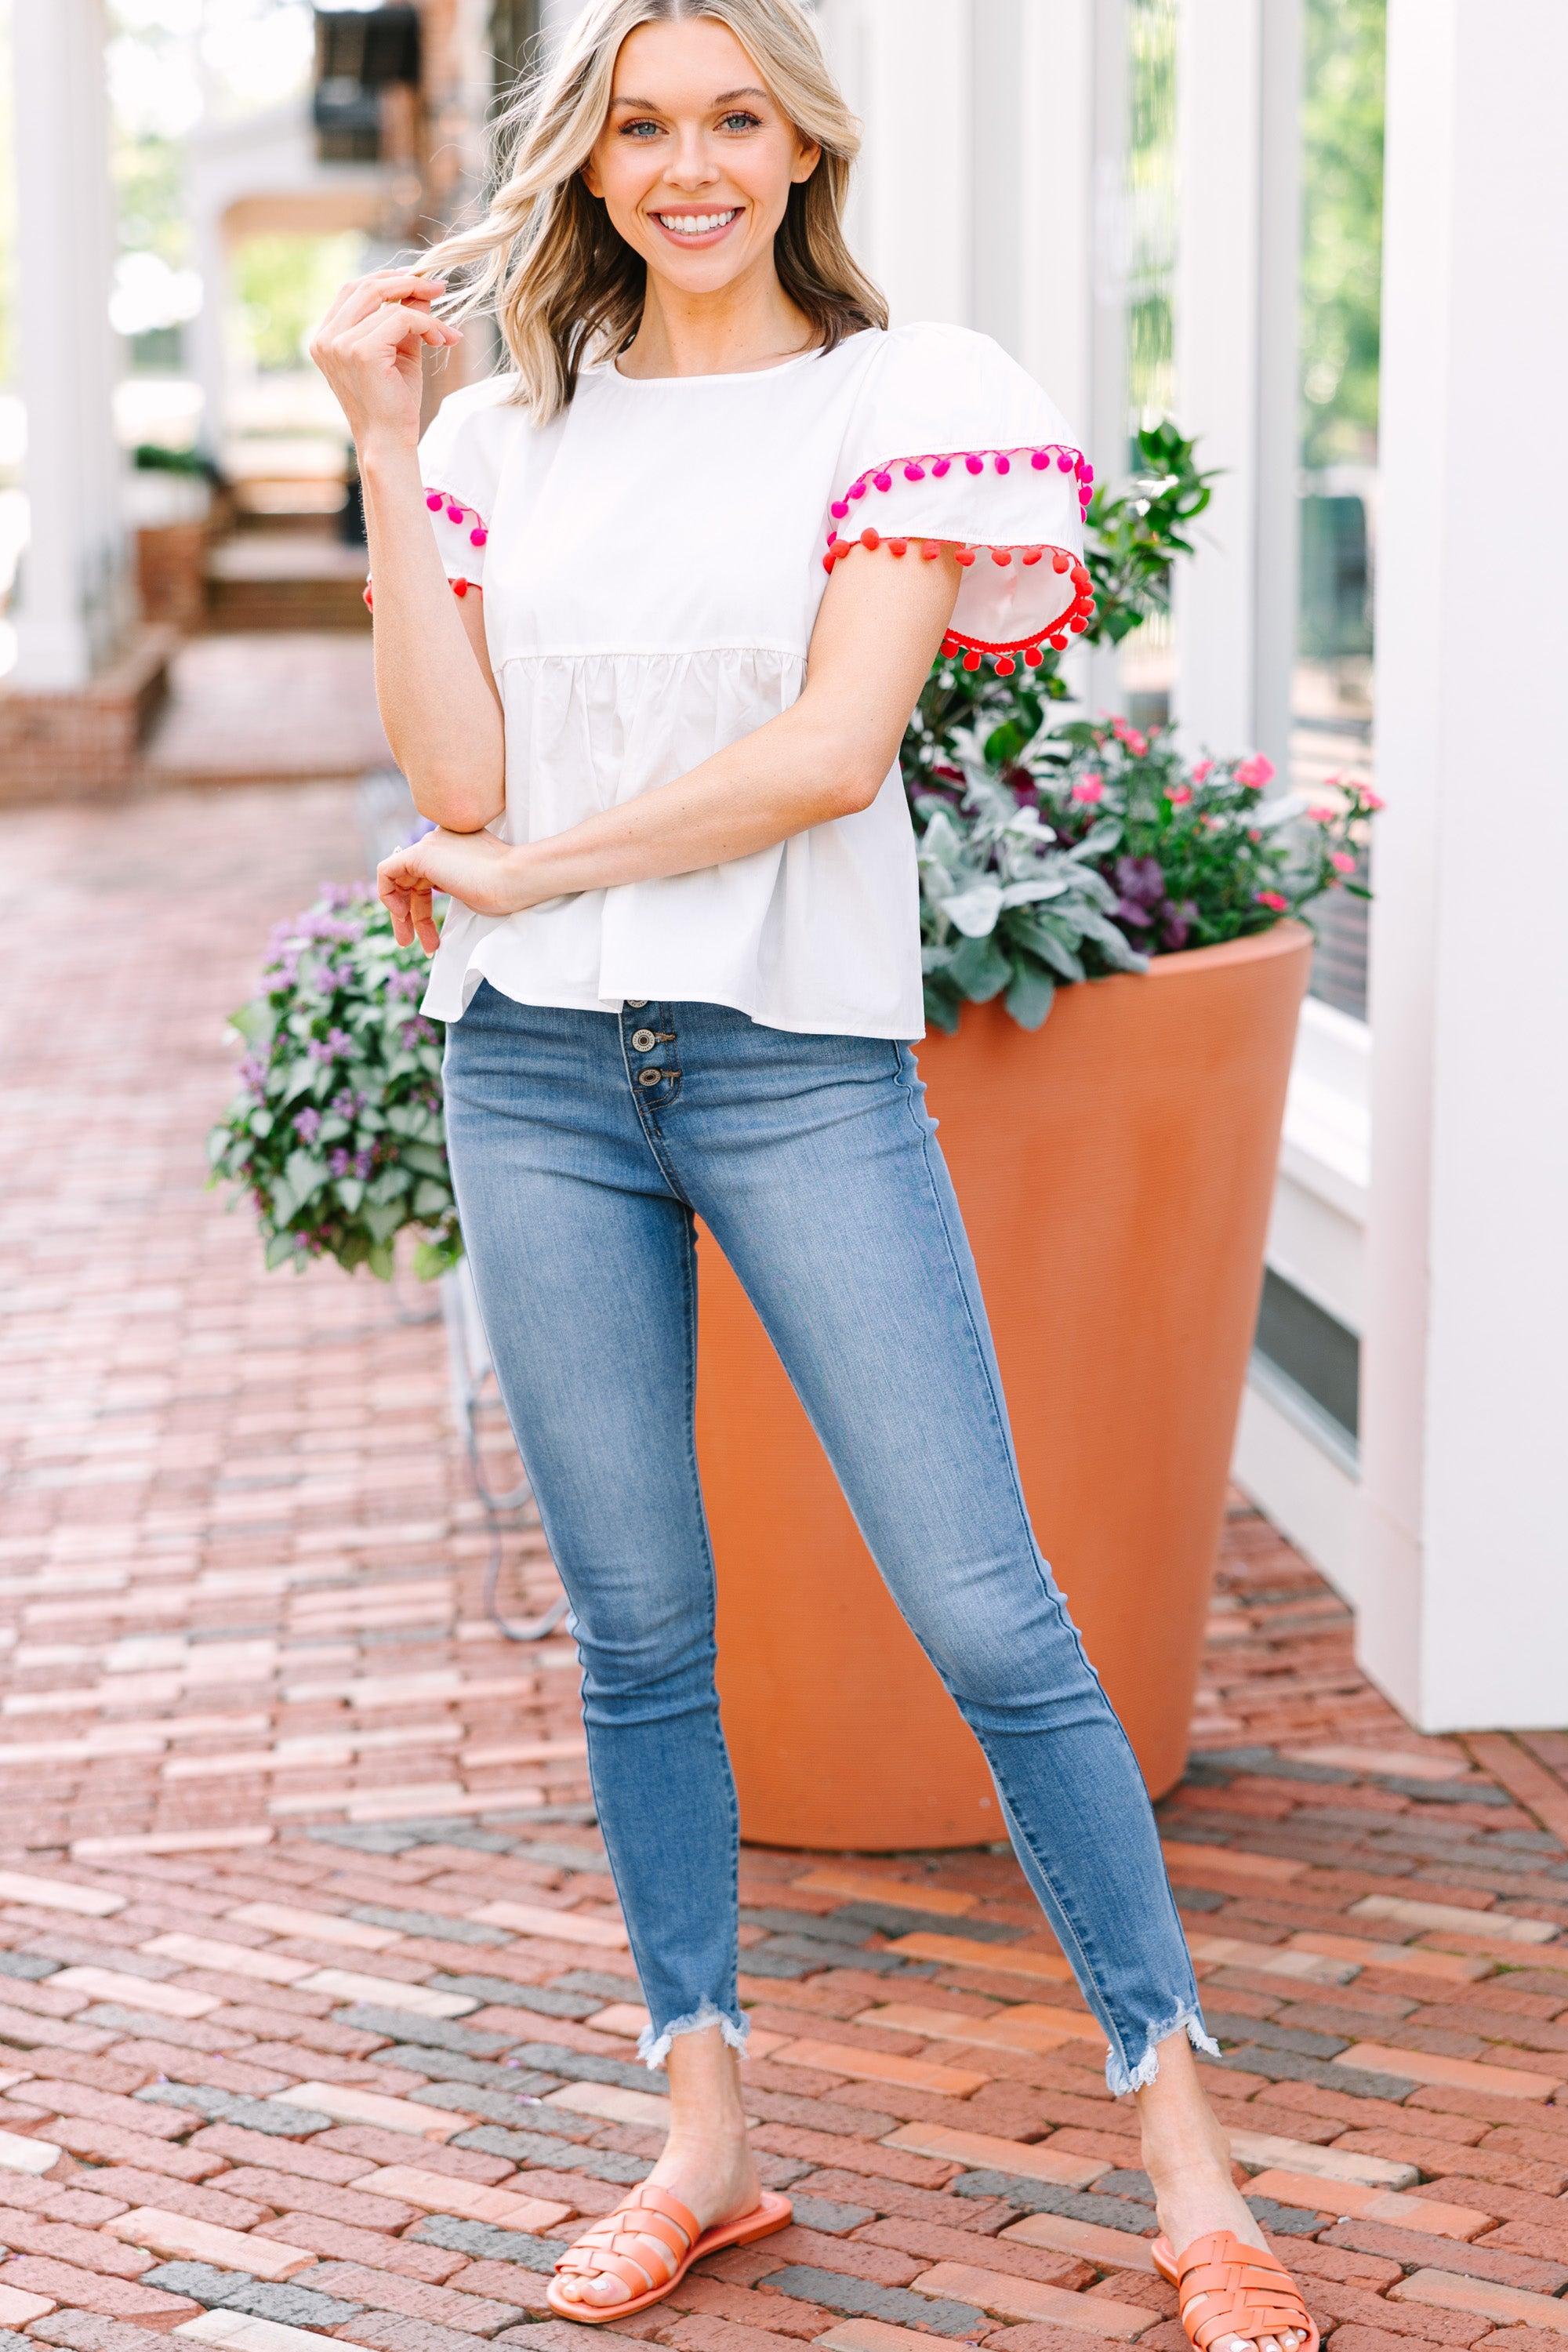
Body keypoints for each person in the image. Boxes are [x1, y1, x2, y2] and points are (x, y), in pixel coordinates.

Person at [309, 6, 1318, 2348]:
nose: (688, 166)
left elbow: (825, 749)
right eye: (642, 125)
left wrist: (524, 868)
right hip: (535, 1078)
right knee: (645, 1636)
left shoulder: (900, 402)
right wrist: (378, 452)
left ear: (800, 147)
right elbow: (447, 765)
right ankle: (704, 2142)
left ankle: (1189, 2151)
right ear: (586, 163)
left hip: (785, 1061)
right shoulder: (496, 436)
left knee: (990, 1614)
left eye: (731, 119)